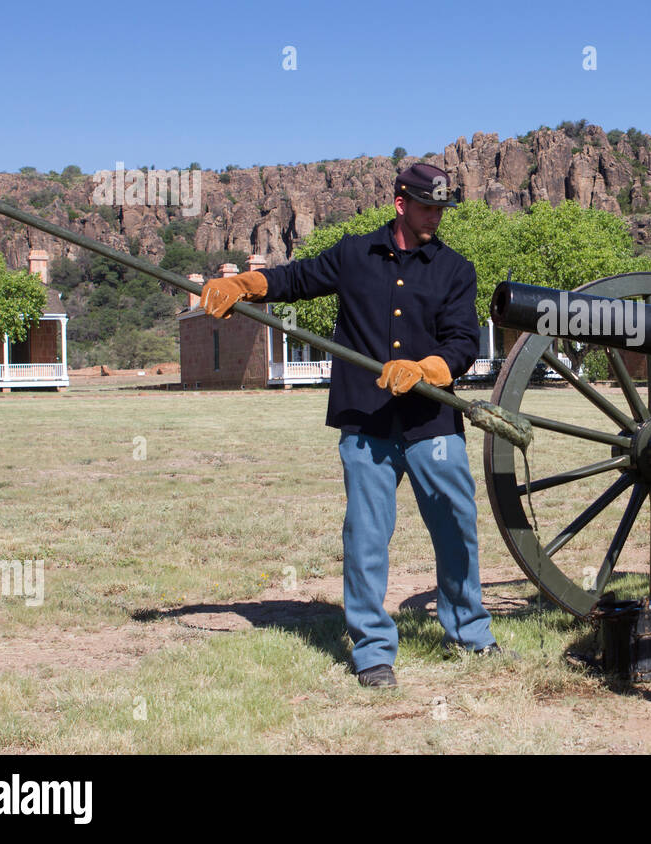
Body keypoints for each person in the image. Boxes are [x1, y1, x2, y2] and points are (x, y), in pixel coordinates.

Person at [200, 163, 505, 688]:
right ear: (400, 203)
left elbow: (462, 343)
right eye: (427, 207)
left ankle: (469, 632)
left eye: (441, 208)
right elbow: (294, 279)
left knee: (457, 529)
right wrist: (245, 284)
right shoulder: (353, 254)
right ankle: (372, 650)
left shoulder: (457, 268)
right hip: (367, 422)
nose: (435, 216)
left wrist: (428, 369)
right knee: (367, 537)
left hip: (432, 422)